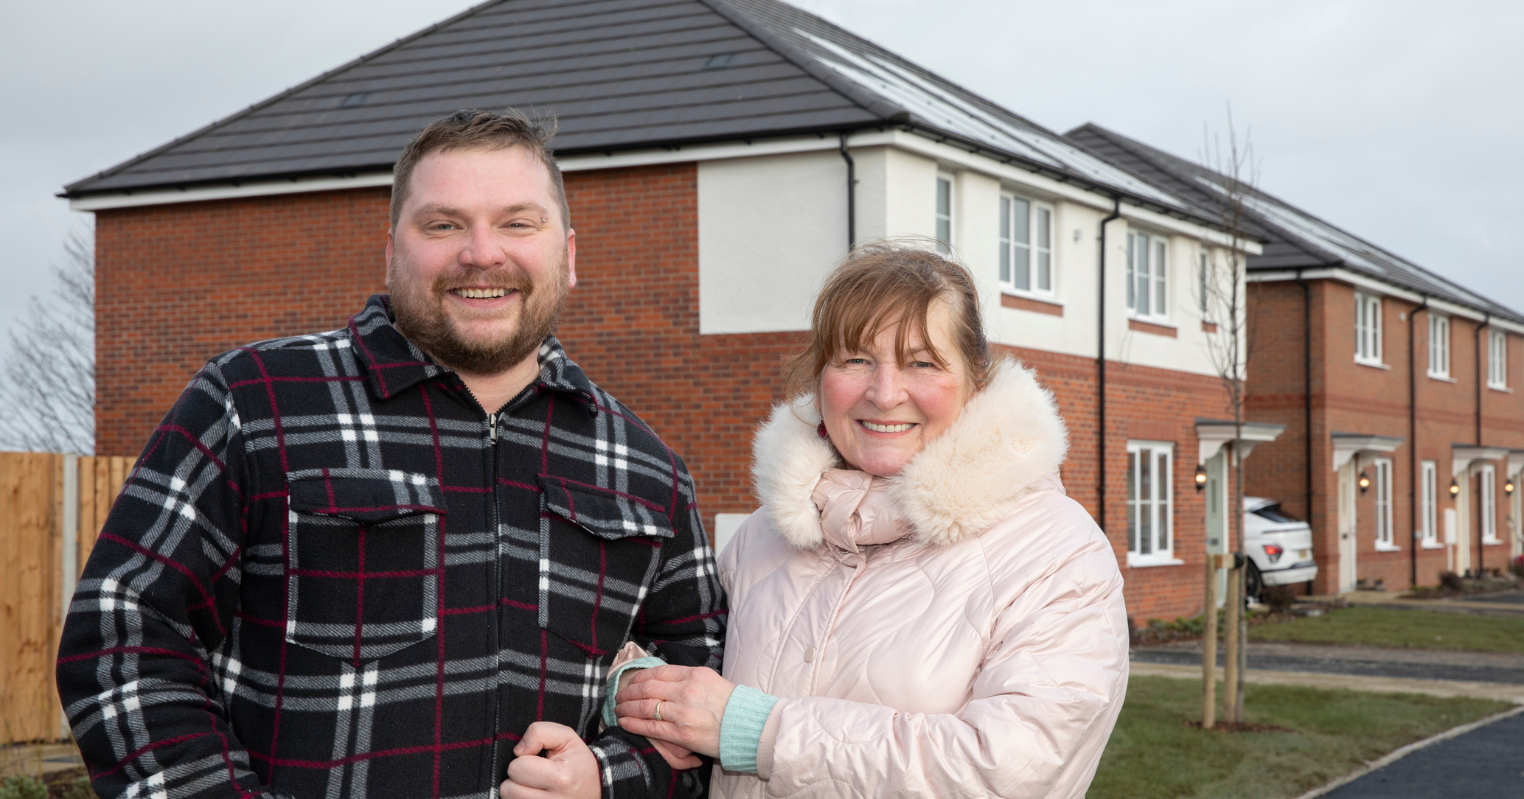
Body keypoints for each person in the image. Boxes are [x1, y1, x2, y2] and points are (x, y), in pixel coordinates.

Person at [56, 110, 726, 799]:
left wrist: (608, 779)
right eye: (443, 225)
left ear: (570, 253)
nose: (481, 252)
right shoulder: (254, 403)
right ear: (391, 249)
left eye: (518, 223)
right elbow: (122, 636)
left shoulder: (647, 470)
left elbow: (694, 691)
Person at [612, 245, 1128, 798]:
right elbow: (692, 682)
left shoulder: (1059, 554)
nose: (884, 393)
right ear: (820, 375)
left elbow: (1011, 770)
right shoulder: (762, 537)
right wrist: (636, 686)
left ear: (976, 381)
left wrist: (758, 731)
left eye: (922, 362)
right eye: (855, 359)